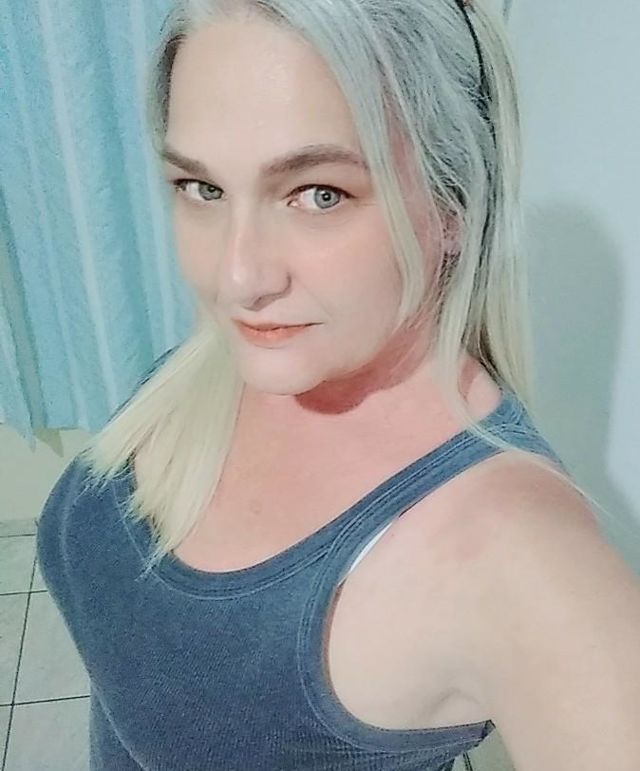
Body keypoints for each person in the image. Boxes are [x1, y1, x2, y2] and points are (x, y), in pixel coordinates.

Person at [36, 1, 640, 769]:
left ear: (455, 204)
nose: (237, 277)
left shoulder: (521, 559)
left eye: (320, 194)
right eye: (202, 188)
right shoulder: (244, 357)